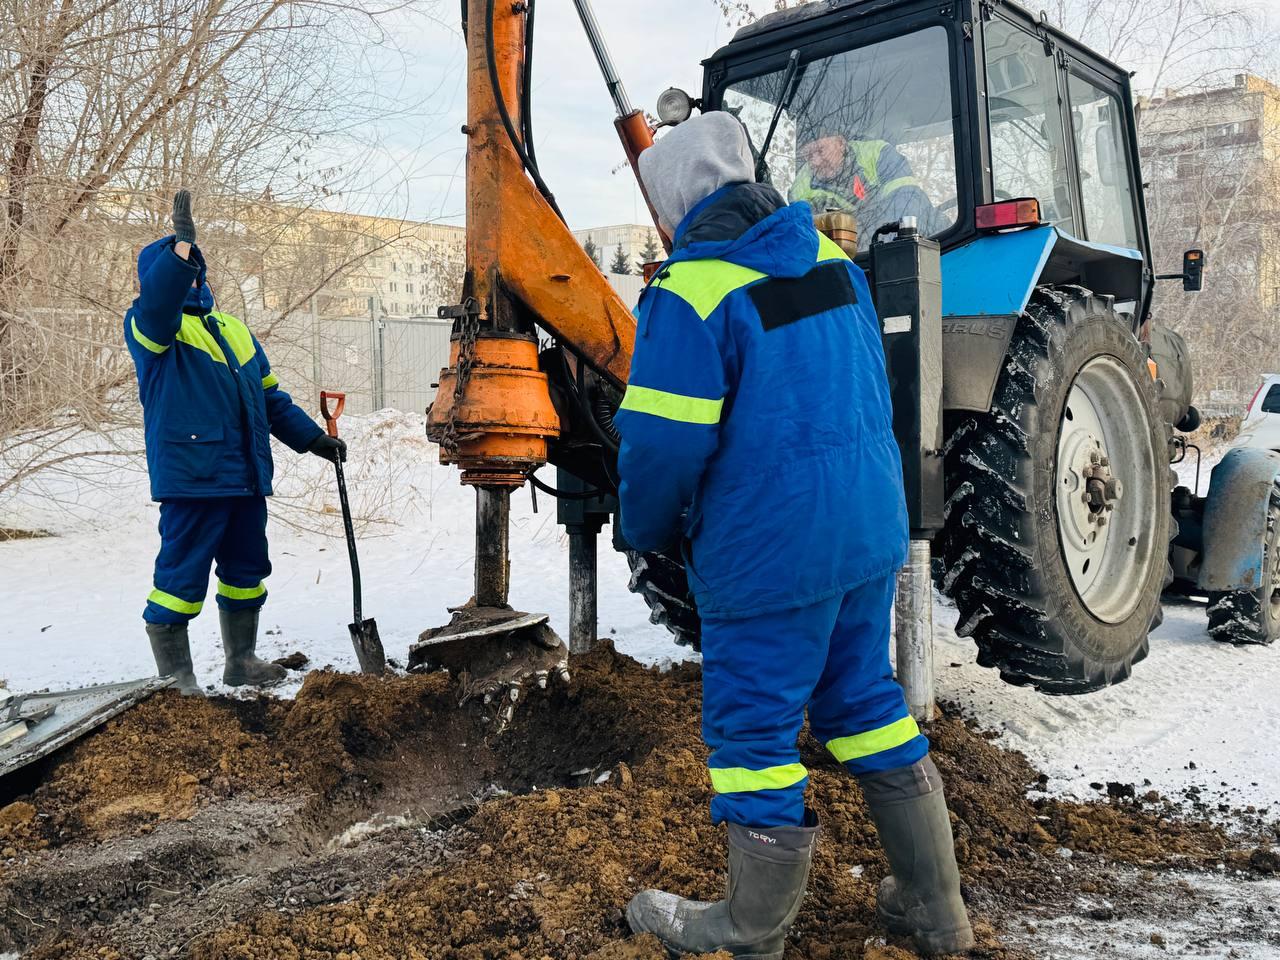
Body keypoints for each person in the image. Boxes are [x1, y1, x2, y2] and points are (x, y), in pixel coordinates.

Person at [617, 112, 974, 958]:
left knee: (752, 738)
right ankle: (934, 907)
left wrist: (650, 534)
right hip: (863, 535)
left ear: (674, 204)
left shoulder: (689, 290)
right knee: (866, 704)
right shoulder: (830, 262)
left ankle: (748, 932)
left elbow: (662, 443)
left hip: (769, 556)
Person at [124, 192, 346, 695]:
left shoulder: (236, 331)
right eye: (187, 266)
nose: (197, 275)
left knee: (247, 570)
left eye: (198, 266)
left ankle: (240, 661)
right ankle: (176, 681)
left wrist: (312, 440)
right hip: (194, 479)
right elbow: (158, 300)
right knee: (180, 579)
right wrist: (179, 250)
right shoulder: (153, 328)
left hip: (245, 477)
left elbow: (271, 401)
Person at [790, 128, 946, 240]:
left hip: (919, 239)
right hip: (859, 255)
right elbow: (814, 235)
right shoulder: (800, 189)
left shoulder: (879, 154)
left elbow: (906, 202)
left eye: (820, 150)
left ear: (840, 143)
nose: (815, 161)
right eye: (808, 156)